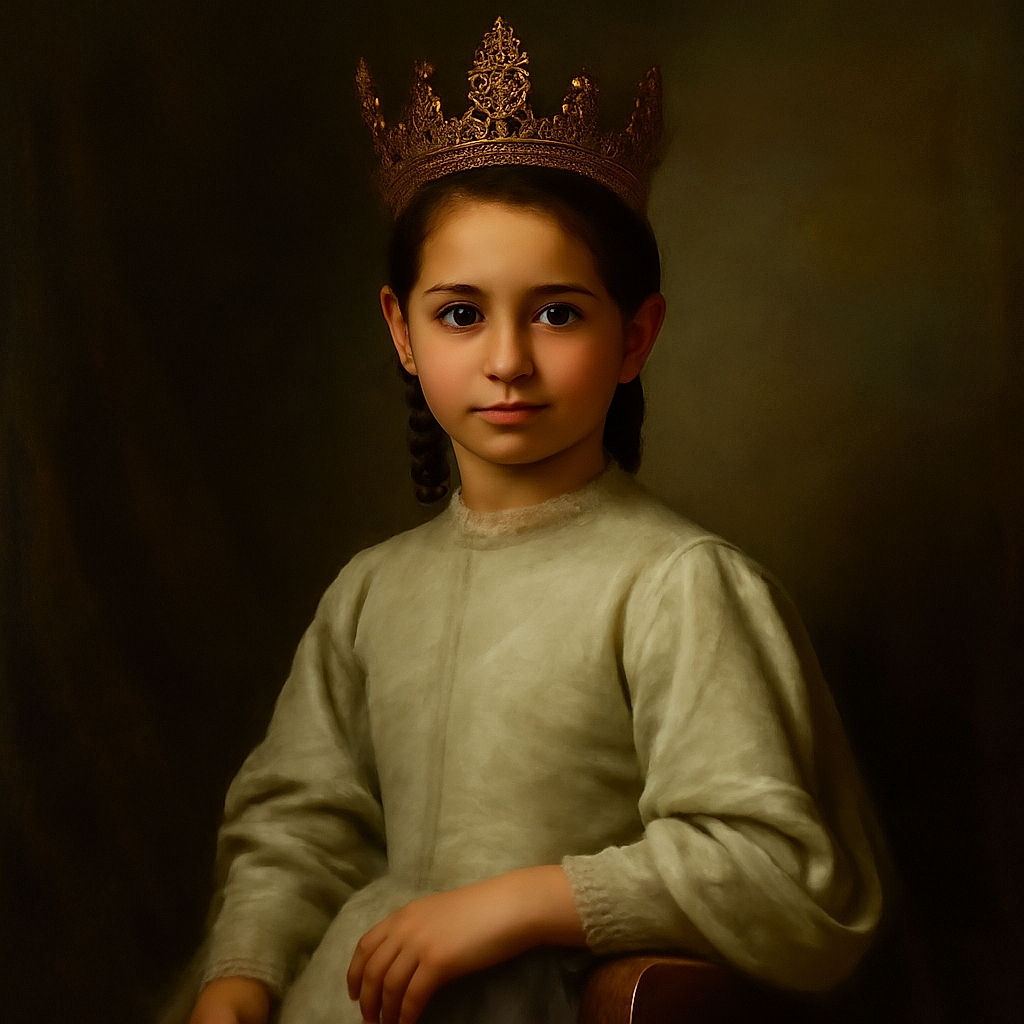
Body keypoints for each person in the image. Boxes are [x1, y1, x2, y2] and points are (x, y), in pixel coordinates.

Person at [176, 18, 883, 1024]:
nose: (507, 358)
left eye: (556, 312)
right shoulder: (370, 590)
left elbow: (778, 872)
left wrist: (521, 902)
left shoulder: (676, 581)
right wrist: (241, 979)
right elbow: (300, 826)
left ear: (635, 334)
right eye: (461, 313)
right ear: (401, 330)